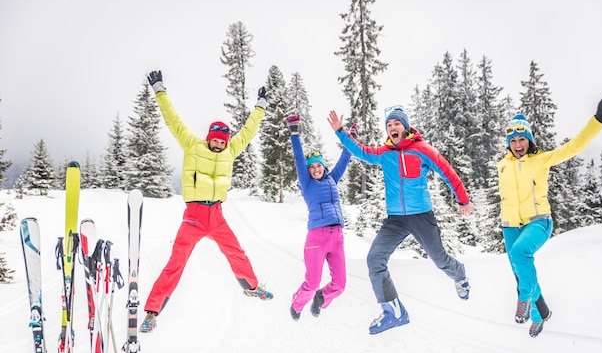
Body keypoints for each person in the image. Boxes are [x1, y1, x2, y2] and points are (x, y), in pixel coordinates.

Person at [140, 70, 273, 333]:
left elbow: (248, 131)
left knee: (236, 251)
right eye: (215, 140)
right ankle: (152, 312)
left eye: (222, 141)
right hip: (194, 216)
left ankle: (251, 287)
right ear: (209, 137)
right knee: (176, 263)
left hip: (217, 215)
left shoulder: (231, 150)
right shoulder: (192, 145)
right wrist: (159, 90)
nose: (218, 145)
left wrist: (260, 106)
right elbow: (173, 120)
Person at [327, 107, 474, 335]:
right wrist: (340, 132)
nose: (392, 128)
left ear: (405, 127)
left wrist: (463, 199)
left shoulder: (422, 150)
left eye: (396, 124)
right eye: (389, 125)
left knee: (439, 259)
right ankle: (393, 312)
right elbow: (360, 150)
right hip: (395, 220)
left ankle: (460, 275)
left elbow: (447, 172)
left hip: (420, 216)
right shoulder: (384, 153)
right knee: (374, 259)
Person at [498, 93, 602, 338]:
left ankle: (523, 300)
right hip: (510, 225)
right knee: (521, 270)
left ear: (529, 140)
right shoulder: (503, 165)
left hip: (538, 221)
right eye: (514, 140)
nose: (518, 144)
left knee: (521, 255)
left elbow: (574, 146)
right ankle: (539, 315)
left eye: (522, 139)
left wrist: (598, 118)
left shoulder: (541, 160)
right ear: (508, 143)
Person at [285, 114, 353, 321]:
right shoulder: (306, 183)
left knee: (340, 284)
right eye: (312, 166)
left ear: (323, 166)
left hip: (337, 237)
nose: (315, 169)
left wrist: (350, 137)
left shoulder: (332, 178)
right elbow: (298, 158)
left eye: (318, 165)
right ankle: (297, 304)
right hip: (317, 237)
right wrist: (294, 132)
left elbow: (345, 157)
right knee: (312, 282)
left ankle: (321, 298)